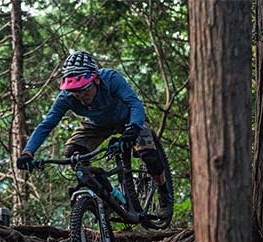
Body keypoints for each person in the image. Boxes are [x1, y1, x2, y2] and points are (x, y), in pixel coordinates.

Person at [15, 51, 171, 220]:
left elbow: (135, 104)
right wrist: (28, 152)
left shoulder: (111, 78)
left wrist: (133, 128)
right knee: (73, 153)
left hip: (128, 119)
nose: (81, 96)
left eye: (84, 89)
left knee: (149, 154)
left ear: (95, 79)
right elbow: (47, 125)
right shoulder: (66, 97)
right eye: (75, 91)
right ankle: (107, 193)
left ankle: (163, 191)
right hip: (97, 124)